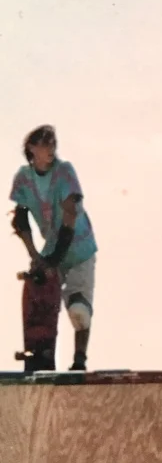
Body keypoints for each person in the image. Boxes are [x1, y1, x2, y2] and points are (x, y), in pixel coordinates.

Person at [9, 125, 98, 371]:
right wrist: (35, 256)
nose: (51, 149)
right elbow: (20, 219)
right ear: (31, 148)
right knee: (38, 285)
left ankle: (79, 360)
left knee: (79, 309)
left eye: (53, 144)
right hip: (51, 246)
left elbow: (69, 216)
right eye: (45, 144)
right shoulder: (23, 178)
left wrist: (54, 259)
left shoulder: (64, 172)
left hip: (80, 245)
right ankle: (41, 353)